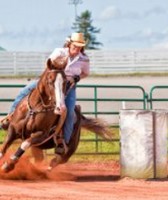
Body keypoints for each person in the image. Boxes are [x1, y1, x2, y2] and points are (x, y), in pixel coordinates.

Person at [0, 32, 90, 147]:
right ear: (69, 44)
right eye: (75, 46)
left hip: (67, 86)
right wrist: (50, 80)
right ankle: (10, 119)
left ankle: (63, 141)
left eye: (79, 47)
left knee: (70, 111)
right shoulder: (59, 52)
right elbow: (48, 66)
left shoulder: (84, 59)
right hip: (50, 81)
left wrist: (76, 78)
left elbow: (85, 73)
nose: (77, 49)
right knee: (24, 91)